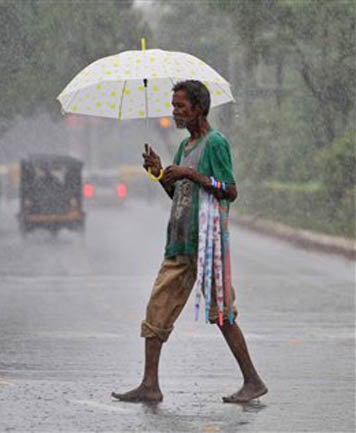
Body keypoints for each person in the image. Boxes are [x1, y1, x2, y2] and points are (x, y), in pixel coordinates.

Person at [112, 80, 267, 404]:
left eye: (180, 106)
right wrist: (159, 174)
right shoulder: (184, 148)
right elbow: (179, 194)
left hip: (208, 242)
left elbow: (229, 190)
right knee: (157, 310)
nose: (175, 112)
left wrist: (189, 174)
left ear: (198, 108)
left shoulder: (215, 144)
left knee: (222, 314)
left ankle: (252, 380)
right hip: (179, 241)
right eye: (174, 106)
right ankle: (149, 384)